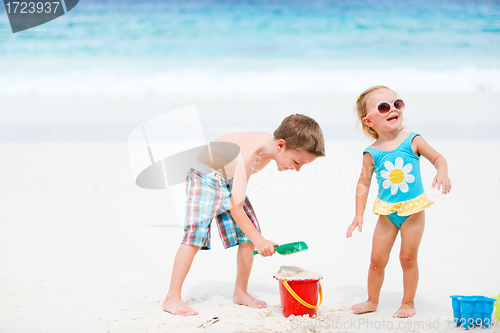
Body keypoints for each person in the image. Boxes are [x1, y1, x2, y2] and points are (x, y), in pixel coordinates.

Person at [163, 114, 326, 316]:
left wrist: (255, 238)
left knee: (249, 234)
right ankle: (172, 297)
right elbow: (236, 208)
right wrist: (260, 241)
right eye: (297, 162)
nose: (297, 169)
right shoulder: (248, 154)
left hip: (226, 178)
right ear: (281, 145)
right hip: (204, 176)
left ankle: (240, 292)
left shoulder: (272, 146)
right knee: (195, 237)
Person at [346, 86, 451, 318]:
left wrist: (442, 172)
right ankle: (372, 300)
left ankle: (408, 302)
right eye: (384, 107)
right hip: (387, 213)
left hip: (413, 210)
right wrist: (358, 215)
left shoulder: (413, 140)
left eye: (397, 104)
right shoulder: (371, 153)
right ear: (369, 121)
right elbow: (363, 184)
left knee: (407, 257)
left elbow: (438, 158)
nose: (393, 109)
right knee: (376, 259)